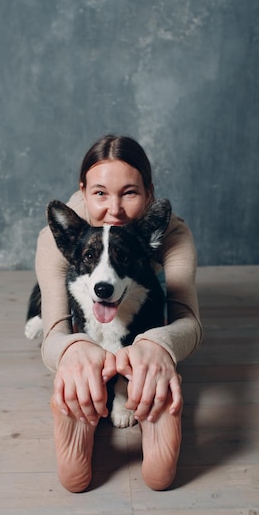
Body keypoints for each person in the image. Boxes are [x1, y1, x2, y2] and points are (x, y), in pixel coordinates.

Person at [35, 135, 202, 492]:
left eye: (129, 193)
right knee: (74, 349)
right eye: (100, 193)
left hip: (144, 315)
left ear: (148, 191)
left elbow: (187, 319)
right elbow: (54, 330)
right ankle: (81, 410)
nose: (115, 209)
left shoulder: (171, 233)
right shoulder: (62, 236)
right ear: (83, 192)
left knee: (154, 350)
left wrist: (159, 345)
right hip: (88, 314)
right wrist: (70, 350)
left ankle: (151, 408)